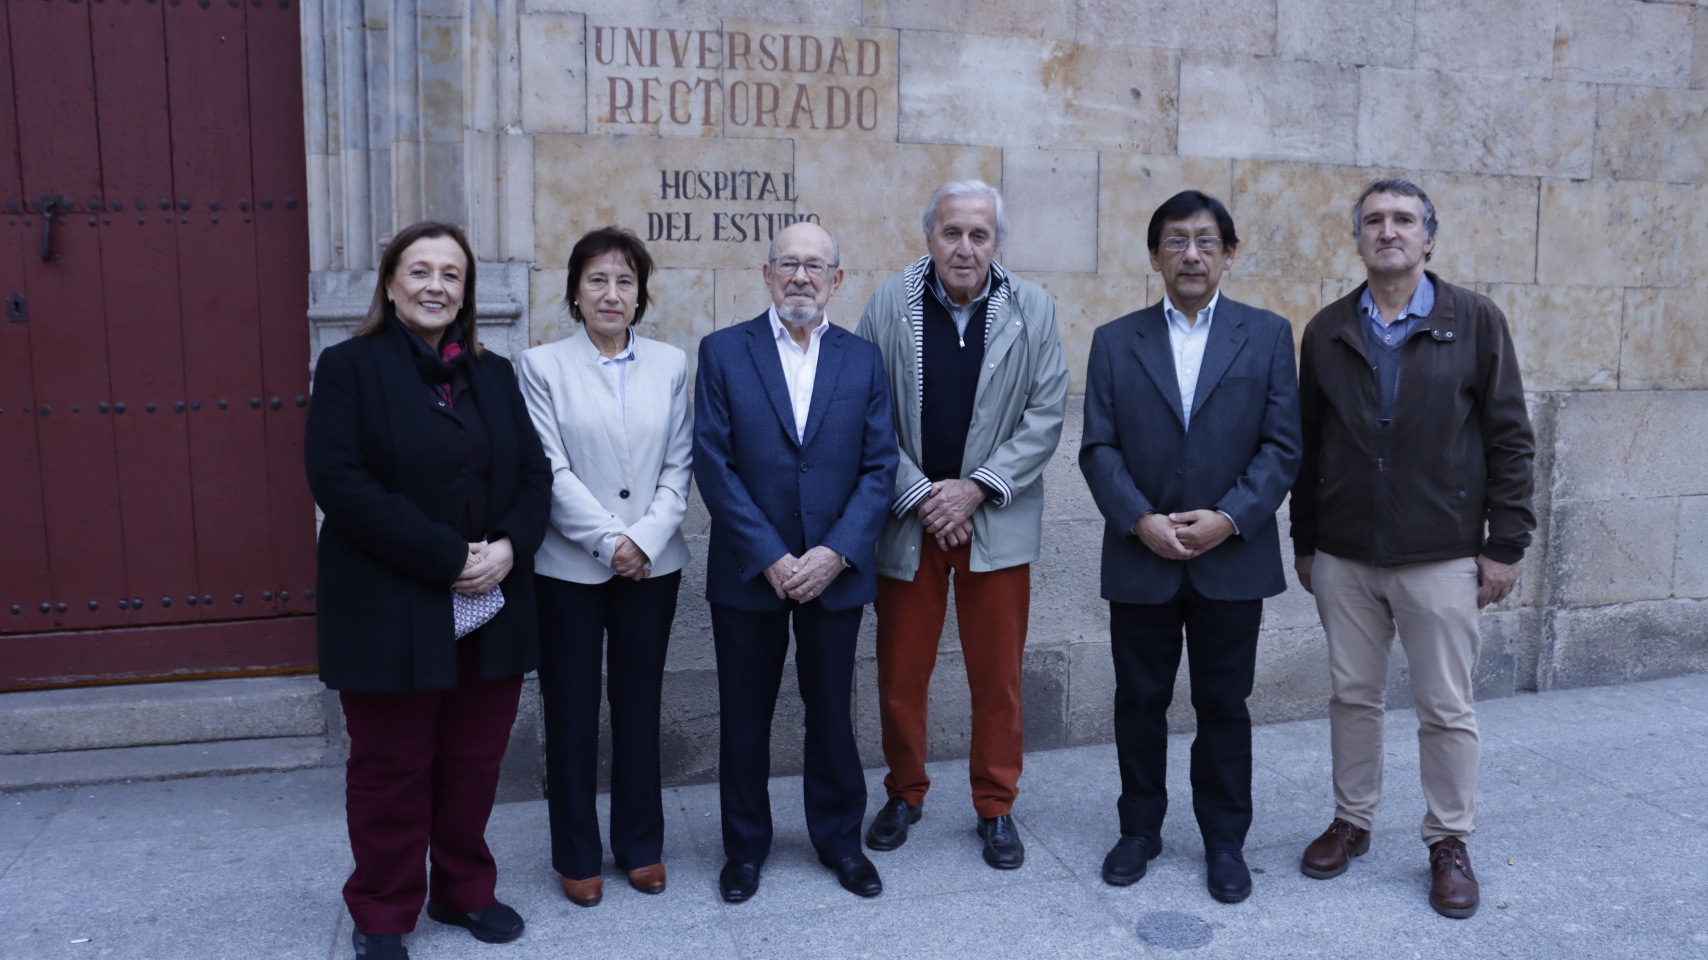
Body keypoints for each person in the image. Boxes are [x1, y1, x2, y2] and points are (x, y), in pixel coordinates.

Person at [305, 221, 552, 960]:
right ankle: (382, 907)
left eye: (451, 274)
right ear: (389, 283)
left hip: (490, 603)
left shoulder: (495, 374)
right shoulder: (348, 368)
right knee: (391, 766)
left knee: (473, 761)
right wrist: (449, 556)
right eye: (420, 271)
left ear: (466, 290)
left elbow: (535, 477)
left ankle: (463, 889)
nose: (436, 286)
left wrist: (508, 547)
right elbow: (340, 483)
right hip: (390, 604)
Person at [1291, 179, 1536, 919]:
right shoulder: (1328, 328)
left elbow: (1510, 439)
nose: (1388, 231)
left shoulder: (1477, 321)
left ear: (1429, 238)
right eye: (1374, 220)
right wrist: (1305, 541)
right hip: (1346, 555)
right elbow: (1308, 446)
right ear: (1358, 238)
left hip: (1441, 554)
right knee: (1353, 697)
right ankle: (1352, 820)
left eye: (1403, 220)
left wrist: (1505, 544)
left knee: (1446, 707)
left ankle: (1448, 841)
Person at [1078, 191, 1301, 903]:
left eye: (1206, 241)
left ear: (1229, 254)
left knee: (1224, 706)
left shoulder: (1265, 336)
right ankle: (1138, 830)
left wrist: (1228, 519)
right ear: (1155, 257)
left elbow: (1281, 447)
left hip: (1230, 559)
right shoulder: (1116, 340)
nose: (1192, 255)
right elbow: (1098, 448)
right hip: (1142, 556)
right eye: (1176, 242)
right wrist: (1140, 518)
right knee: (1138, 702)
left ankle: (1225, 840)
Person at [855, 180, 1068, 869]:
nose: (965, 247)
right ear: (930, 236)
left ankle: (996, 805)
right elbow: (862, 409)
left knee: (998, 678)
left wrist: (974, 490)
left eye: (980, 234)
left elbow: (1045, 414)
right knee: (900, 675)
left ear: (997, 241)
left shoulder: (1032, 308)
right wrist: (921, 492)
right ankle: (905, 792)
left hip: (992, 522)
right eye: (952, 232)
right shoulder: (889, 302)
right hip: (910, 521)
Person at [692, 221, 898, 904]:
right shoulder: (723, 352)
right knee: (743, 717)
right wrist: (773, 555)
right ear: (766, 272)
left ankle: (840, 841)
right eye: (788, 264)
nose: (801, 277)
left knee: (833, 713)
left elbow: (879, 468)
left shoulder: (864, 361)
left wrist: (836, 553)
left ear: (838, 279)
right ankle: (744, 849)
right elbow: (714, 465)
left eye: (816, 266)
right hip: (751, 572)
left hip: (835, 575)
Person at [517, 228, 692, 908]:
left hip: (653, 567)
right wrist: (608, 542)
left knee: (639, 705)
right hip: (568, 568)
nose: (611, 294)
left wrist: (642, 542)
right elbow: (548, 468)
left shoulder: (671, 365)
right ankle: (577, 853)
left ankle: (641, 846)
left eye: (624, 281)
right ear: (575, 292)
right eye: (597, 280)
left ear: (640, 294)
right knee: (571, 709)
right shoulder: (540, 366)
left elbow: (680, 465)